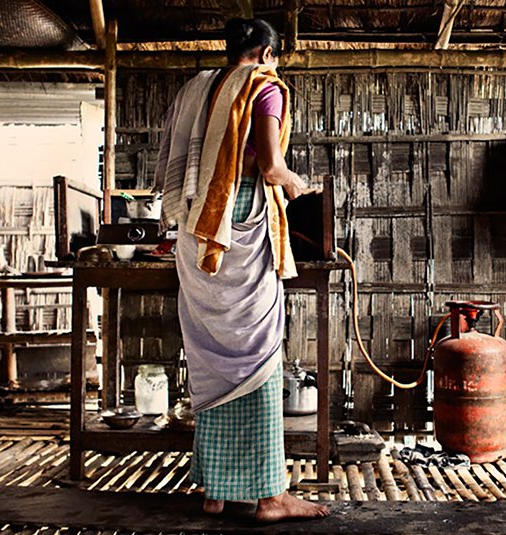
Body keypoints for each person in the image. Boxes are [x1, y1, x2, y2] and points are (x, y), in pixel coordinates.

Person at [153, 17, 330, 522]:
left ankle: (216, 489)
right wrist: (299, 185)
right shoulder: (263, 89)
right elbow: (271, 166)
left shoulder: (196, 89)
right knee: (258, 356)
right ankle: (271, 496)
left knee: (211, 359)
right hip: (239, 230)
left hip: (195, 232)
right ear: (269, 54)